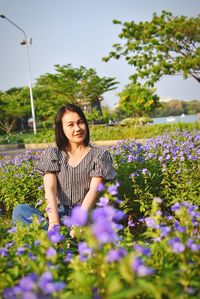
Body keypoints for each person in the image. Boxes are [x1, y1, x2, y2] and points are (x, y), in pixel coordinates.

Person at [12, 103, 116, 232]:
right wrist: (54, 223)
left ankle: (59, 241)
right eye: (70, 125)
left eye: (80, 122)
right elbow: (50, 190)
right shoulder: (53, 153)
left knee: (97, 224)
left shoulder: (99, 155)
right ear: (61, 129)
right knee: (20, 211)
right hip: (59, 213)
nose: (77, 128)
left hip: (86, 212)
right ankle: (61, 237)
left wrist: (78, 223)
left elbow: (93, 191)